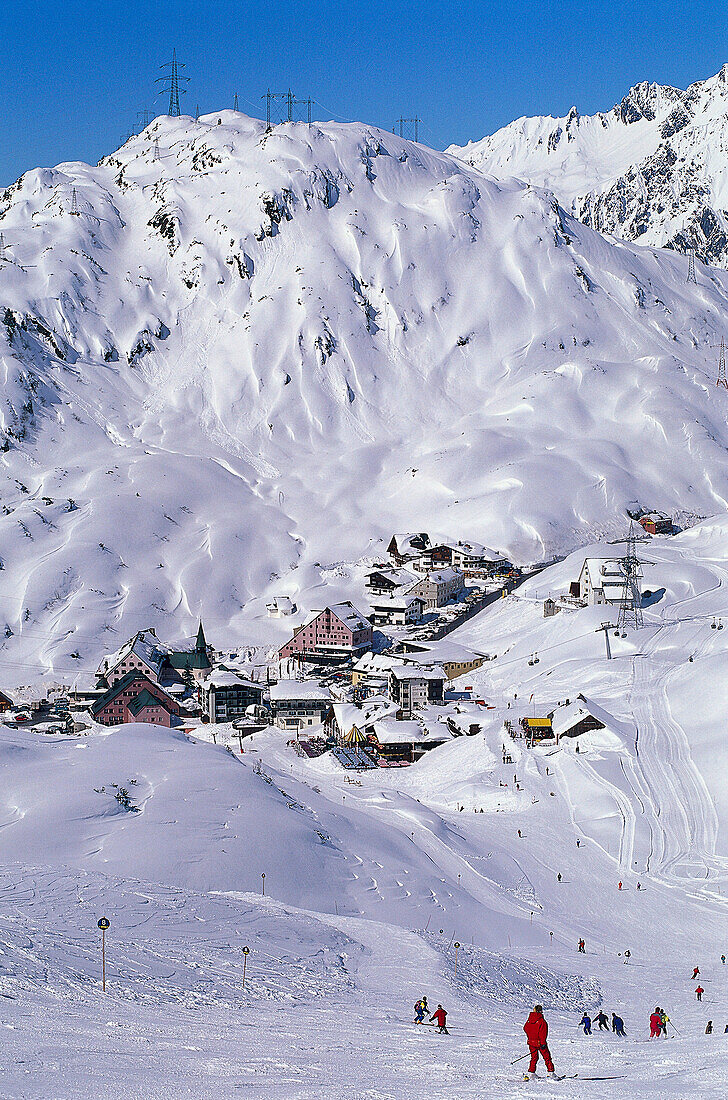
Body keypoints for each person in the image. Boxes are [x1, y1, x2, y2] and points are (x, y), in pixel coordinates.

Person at [523, 1004, 556, 1080]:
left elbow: (525, 1028)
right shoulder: (542, 1021)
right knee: (547, 1057)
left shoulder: (529, 1020)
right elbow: (543, 1034)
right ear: (541, 1011)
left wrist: (530, 1037)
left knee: (534, 1058)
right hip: (540, 1043)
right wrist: (543, 1043)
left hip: (531, 1042)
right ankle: (551, 1073)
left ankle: (531, 1073)